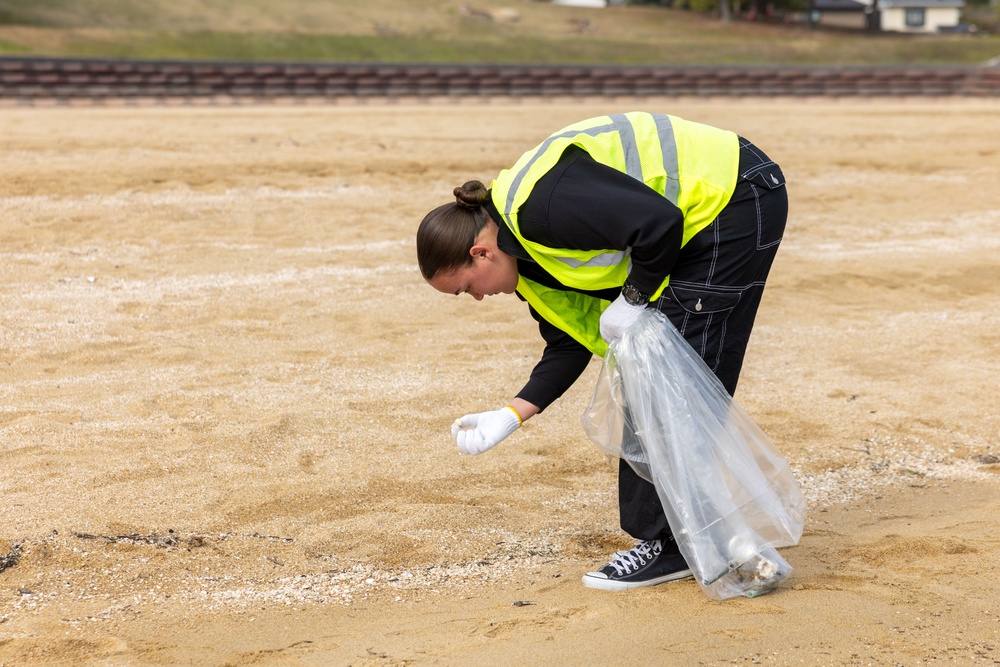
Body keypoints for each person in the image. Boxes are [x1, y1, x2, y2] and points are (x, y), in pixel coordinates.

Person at [416, 112, 787, 592]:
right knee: (664, 386)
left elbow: (660, 223)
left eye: (467, 289)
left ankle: (677, 547)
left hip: (734, 198)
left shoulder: (539, 210)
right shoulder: (528, 266)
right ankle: (695, 541)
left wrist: (633, 300)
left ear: (480, 254)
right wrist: (511, 415)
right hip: (720, 207)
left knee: (671, 388)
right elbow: (566, 345)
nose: (479, 299)